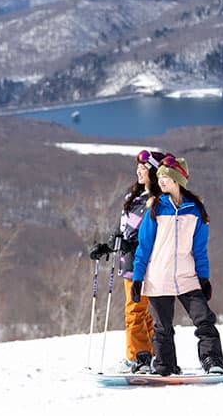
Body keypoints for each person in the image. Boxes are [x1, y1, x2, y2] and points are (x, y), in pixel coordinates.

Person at [131, 155, 223, 376]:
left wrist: (203, 277)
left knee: (204, 320)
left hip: (187, 277)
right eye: (160, 177)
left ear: (177, 179)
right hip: (158, 277)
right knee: (162, 328)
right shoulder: (155, 208)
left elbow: (200, 250)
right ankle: (165, 366)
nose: (161, 181)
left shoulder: (195, 211)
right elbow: (143, 247)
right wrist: (138, 278)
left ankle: (212, 360)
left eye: (165, 177)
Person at [89, 149, 166, 374]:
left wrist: (128, 246)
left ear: (154, 172)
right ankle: (152, 353)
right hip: (128, 263)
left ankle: (139, 357)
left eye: (144, 169)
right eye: (138, 168)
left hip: (145, 264)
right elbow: (122, 230)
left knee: (134, 312)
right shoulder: (134, 196)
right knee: (140, 312)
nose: (139, 172)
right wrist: (107, 246)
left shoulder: (158, 202)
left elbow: (155, 236)